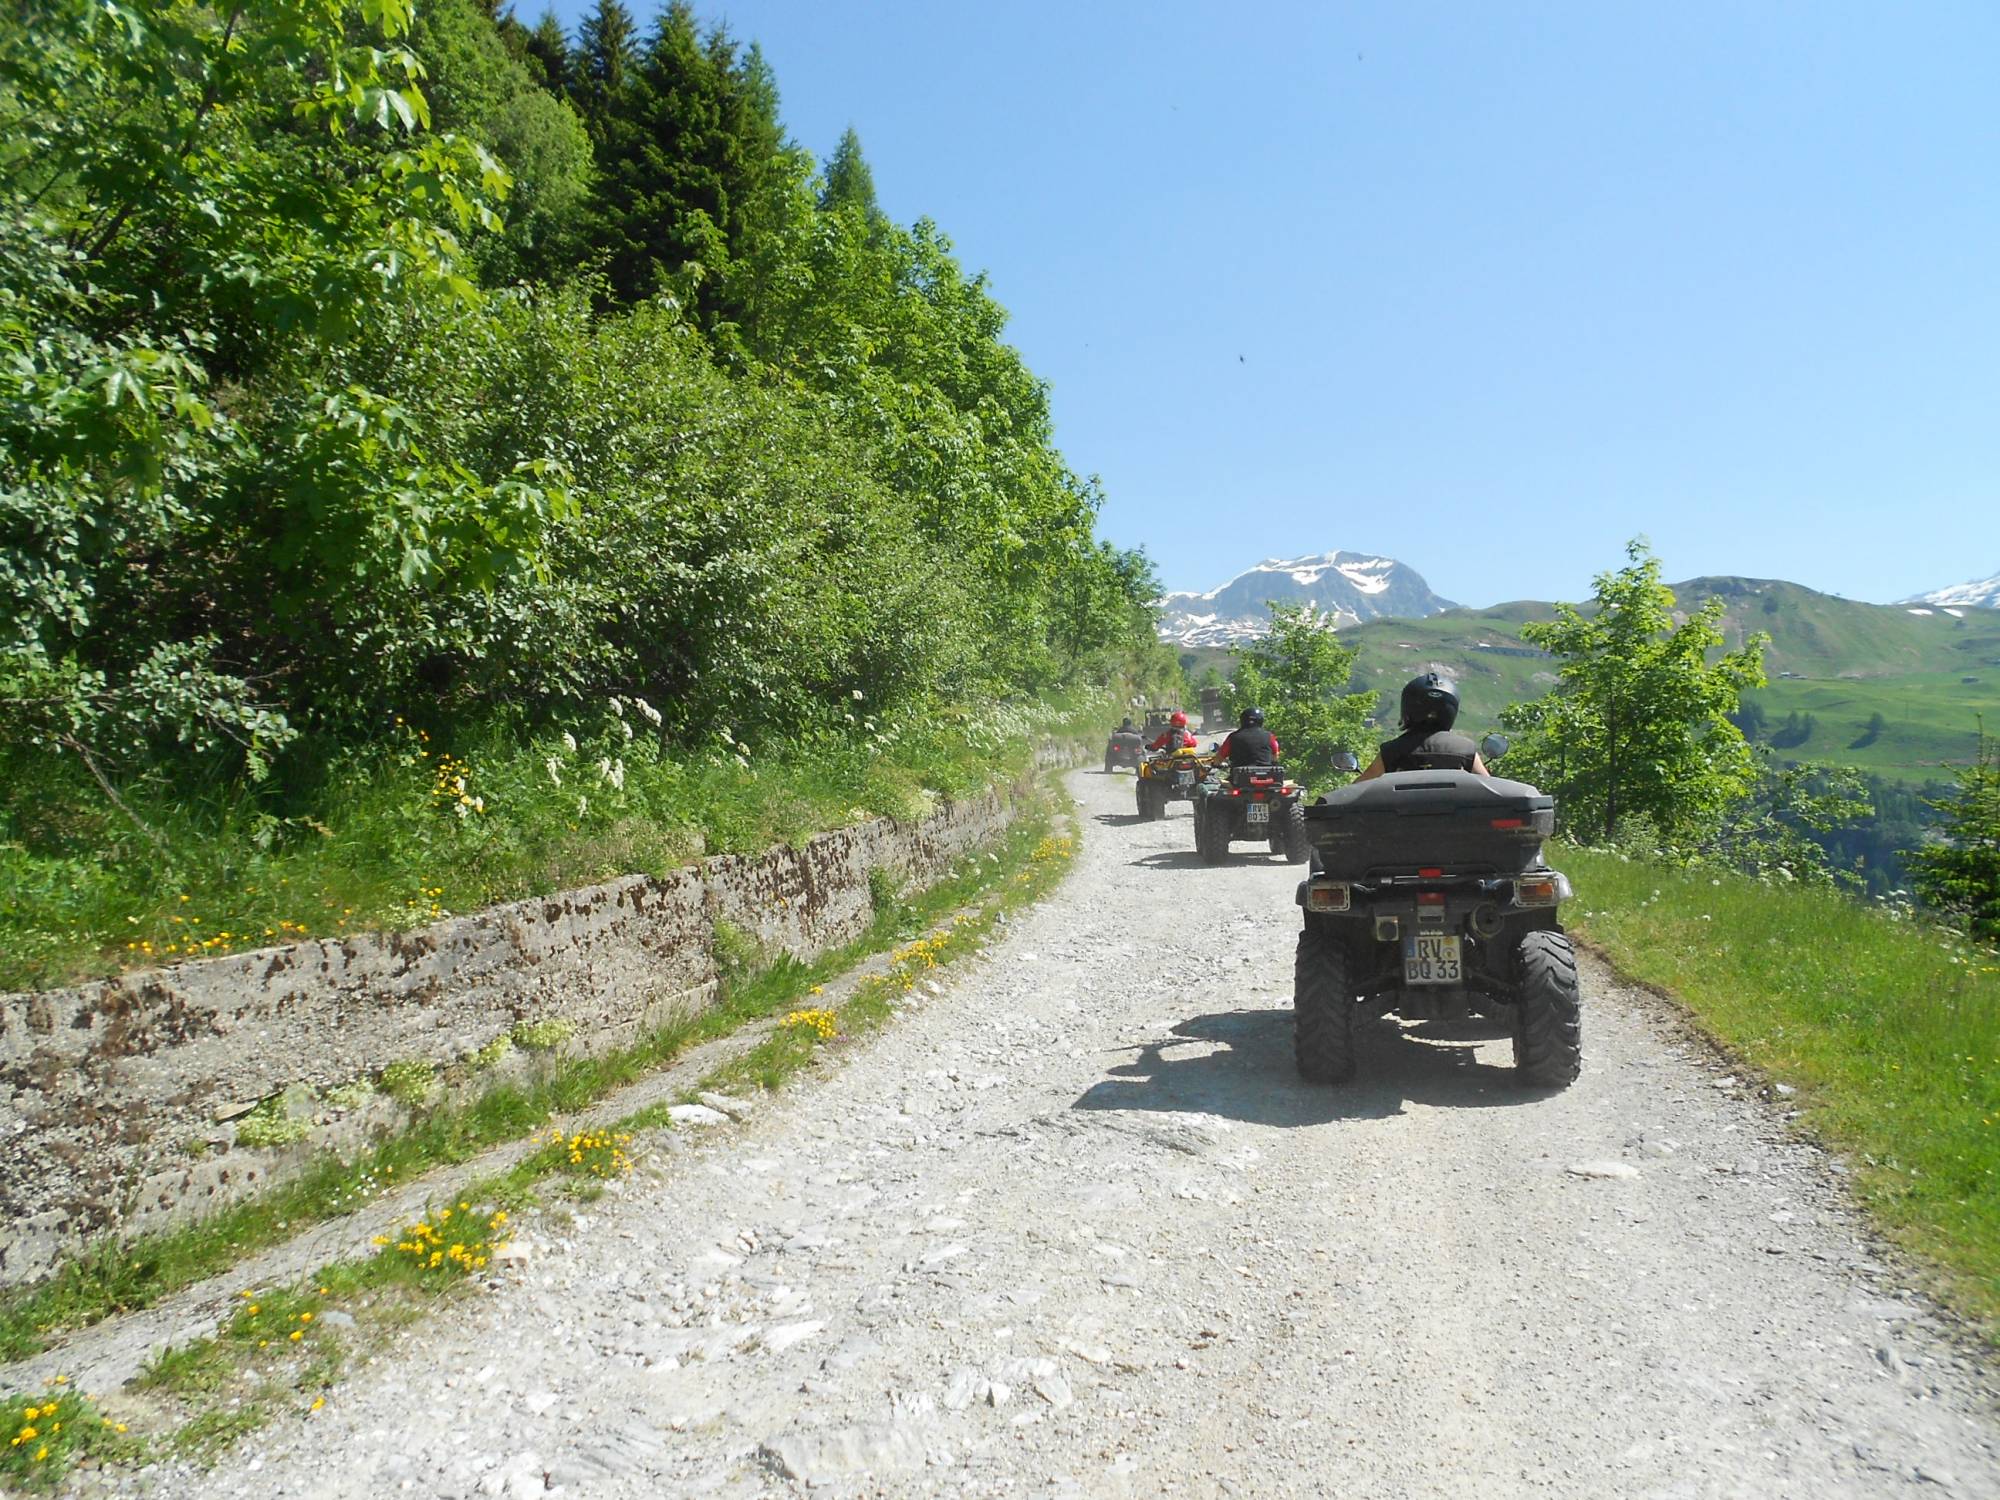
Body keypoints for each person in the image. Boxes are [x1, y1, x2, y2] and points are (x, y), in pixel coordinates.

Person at [1354, 672, 1490, 781]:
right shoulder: (1465, 749)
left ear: (1407, 709)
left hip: (1401, 815)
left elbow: (1356, 789)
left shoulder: (1391, 750)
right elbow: (1490, 786)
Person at [1215, 707, 1281, 768]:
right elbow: (1276, 756)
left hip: (1240, 777)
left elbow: (1219, 758)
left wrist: (1216, 764)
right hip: (1266, 777)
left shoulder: (1233, 737)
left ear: (1242, 720)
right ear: (1261, 721)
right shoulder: (1270, 736)